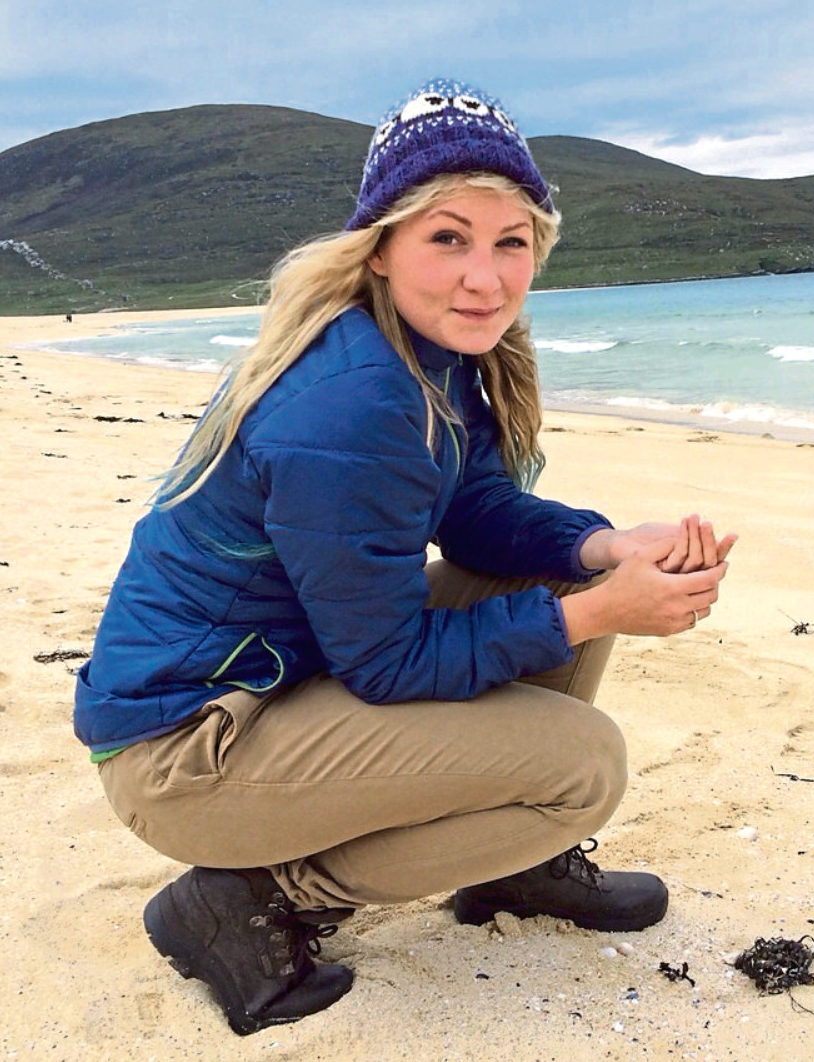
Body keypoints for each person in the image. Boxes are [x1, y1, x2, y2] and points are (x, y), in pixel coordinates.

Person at [73, 78, 736, 1036]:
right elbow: (385, 666)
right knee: (583, 768)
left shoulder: (423, 350)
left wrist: (604, 547)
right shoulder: (350, 400)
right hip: (187, 751)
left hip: (278, 676)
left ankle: (510, 863)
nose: (486, 276)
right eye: (448, 237)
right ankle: (252, 894)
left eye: (512, 242)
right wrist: (601, 614)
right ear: (380, 247)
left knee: (563, 570)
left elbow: (471, 509)